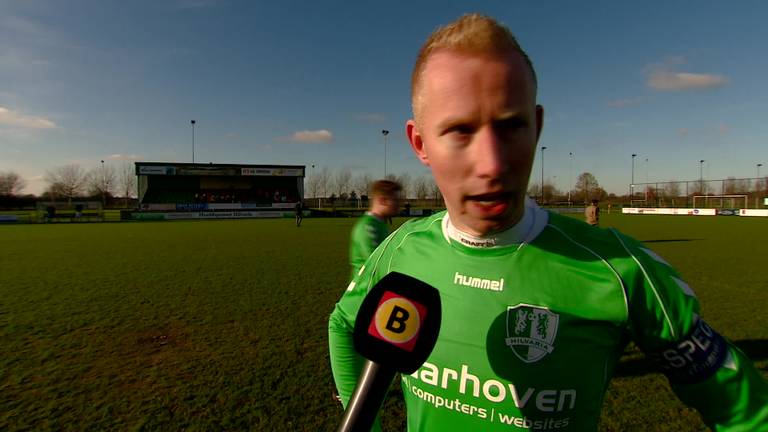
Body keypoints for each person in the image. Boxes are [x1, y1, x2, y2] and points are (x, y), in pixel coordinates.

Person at [328, 13, 768, 431]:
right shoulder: (401, 249)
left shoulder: (625, 273)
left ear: (536, 128)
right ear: (420, 143)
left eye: (511, 126)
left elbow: (746, 413)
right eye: (461, 131)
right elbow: (344, 324)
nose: (492, 163)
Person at [347, 179, 401, 280]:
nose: (398, 205)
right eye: (395, 200)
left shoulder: (380, 224)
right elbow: (377, 263)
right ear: (382, 200)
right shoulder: (367, 226)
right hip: (364, 291)